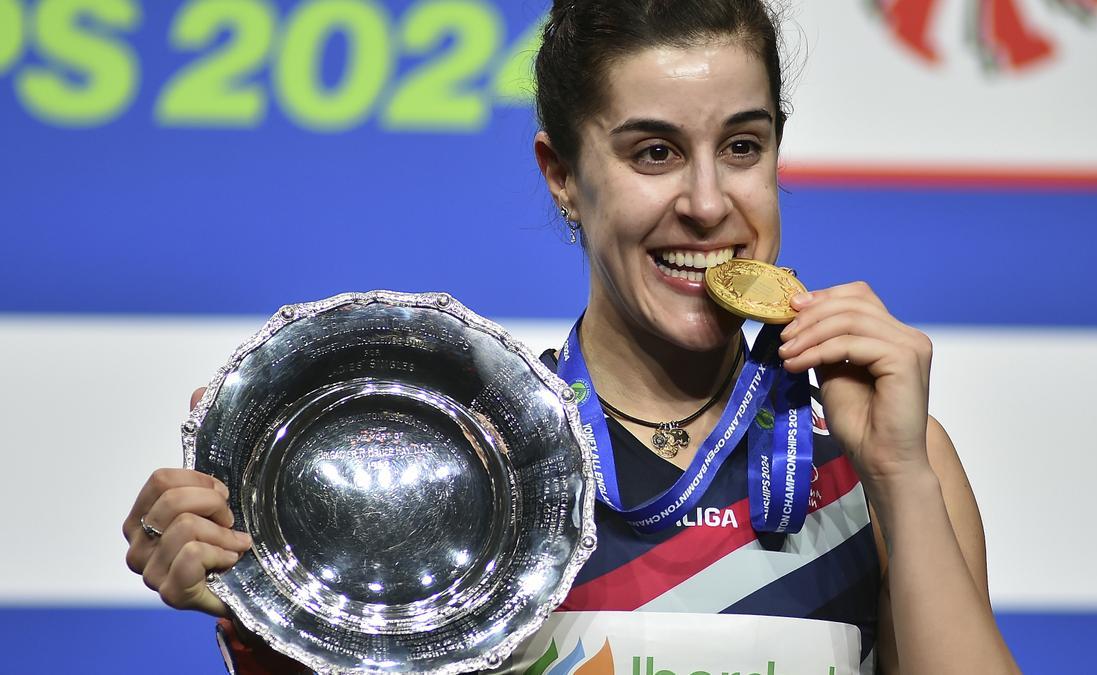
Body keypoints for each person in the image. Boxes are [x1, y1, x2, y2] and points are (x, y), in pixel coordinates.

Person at [123, 0, 1019, 672]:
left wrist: (899, 473)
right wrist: (263, 609)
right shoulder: (485, 467)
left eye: (742, 147)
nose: (708, 204)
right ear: (562, 174)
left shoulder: (880, 456)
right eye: (653, 153)